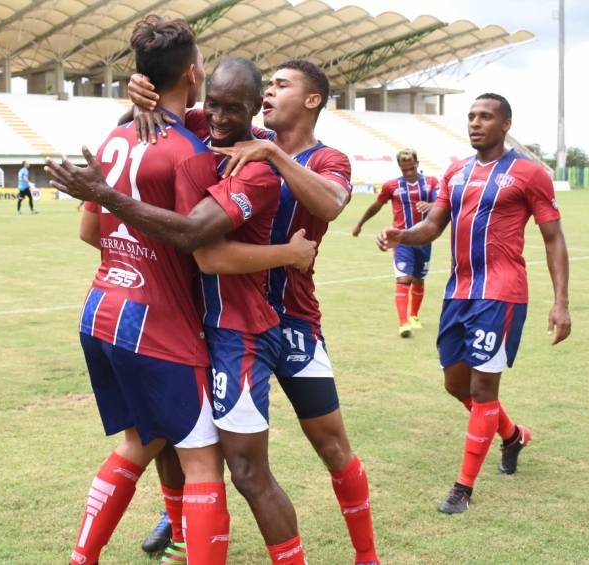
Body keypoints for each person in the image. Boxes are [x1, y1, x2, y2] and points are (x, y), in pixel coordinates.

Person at [49, 57, 318, 565]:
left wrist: (289, 253)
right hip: (187, 325)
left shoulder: (257, 167)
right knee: (164, 442)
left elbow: (207, 252)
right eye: (212, 104)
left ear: (254, 108)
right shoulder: (195, 126)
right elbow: (162, 114)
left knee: (245, 472)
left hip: (237, 332)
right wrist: (138, 96)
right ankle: (177, 539)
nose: (217, 117)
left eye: (232, 108)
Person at [127, 58, 381, 565]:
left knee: (332, 446)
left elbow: (331, 203)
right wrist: (139, 93)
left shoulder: (327, 158)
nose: (269, 93)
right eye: (267, 85)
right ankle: (180, 523)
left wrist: (272, 153)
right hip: (228, 320)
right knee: (193, 437)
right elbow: (166, 115)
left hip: (295, 321)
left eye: (281, 85)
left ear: (312, 99)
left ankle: (367, 555)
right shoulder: (236, 129)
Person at [46, 16, 232, 565]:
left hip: (101, 311)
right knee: (203, 462)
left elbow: (90, 231)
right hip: (159, 323)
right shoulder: (189, 152)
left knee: (138, 443)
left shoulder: (114, 138)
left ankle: (82, 558)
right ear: (192, 74)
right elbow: (203, 248)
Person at [377, 93, 571, 514]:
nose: (475, 123)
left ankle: (462, 489)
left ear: (506, 125)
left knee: (483, 389)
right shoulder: (456, 172)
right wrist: (401, 235)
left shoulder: (529, 173)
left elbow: (553, 237)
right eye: (471, 116)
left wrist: (561, 302)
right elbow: (433, 225)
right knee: (456, 384)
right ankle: (513, 435)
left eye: (485, 116)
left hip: (501, 293)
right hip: (458, 292)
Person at [352, 149, 438, 337]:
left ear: (417, 163)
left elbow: (442, 203)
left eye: (412, 168)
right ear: (400, 167)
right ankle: (403, 323)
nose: (409, 172)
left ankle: (414, 315)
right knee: (403, 278)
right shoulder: (391, 186)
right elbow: (376, 205)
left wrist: (430, 205)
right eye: (404, 169)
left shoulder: (431, 182)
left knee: (419, 279)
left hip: (424, 238)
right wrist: (360, 223)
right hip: (401, 239)